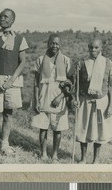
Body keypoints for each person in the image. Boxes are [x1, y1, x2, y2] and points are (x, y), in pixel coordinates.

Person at [0, 8, 29, 156]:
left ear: (12, 20)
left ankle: (4, 143)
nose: (1, 19)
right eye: (0, 16)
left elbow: (22, 62)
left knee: (8, 114)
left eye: (5, 17)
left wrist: (11, 80)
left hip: (13, 82)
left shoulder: (19, 39)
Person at [31, 34, 73, 163]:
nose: (54, 46)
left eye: (57, 43)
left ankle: (55, 155)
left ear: (60, 45)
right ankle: (43, 153)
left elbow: (71, 82)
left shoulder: (66, 60)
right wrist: (36, 100)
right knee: (43, 128)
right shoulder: (40, 60)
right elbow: (36, 82)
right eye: (52, 43)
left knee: (57, 129)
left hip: (58, 101)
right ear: (48, 43)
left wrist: (61, 97)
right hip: (43, 98)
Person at [74, 38, 112, 164]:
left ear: (101, 48)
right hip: (85, 101)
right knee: (84, 129)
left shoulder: (108, 63)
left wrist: (110, 106)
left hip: (102, 102)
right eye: (91, 47)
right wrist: (75, 99)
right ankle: (83, 158)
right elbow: (77, 85)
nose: (93, 50)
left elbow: (111, 86)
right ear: (88, 47)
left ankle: (96, 159)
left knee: (99, 130)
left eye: (96, 47)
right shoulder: (82, 63)